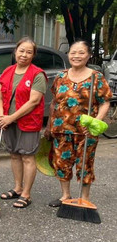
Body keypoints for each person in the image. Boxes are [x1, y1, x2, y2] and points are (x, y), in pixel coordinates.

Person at [44, 40, 111, 207]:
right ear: (68, 55)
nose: (76, 56)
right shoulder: (60, 77)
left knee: (85, 164)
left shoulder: (96, 77)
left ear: (88, 55)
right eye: (73, 52)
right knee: (61, 163)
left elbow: (105, 102)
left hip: (85, 131)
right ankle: (65, 196)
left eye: (81, 52)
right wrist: (49, 126)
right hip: (61, 129)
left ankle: (84, 198)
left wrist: (96, 123)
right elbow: (54, 102)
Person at [0, 37, 47, 208]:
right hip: (8, 121)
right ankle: (17, 188)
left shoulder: (37, 74)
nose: (24, 54)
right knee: (14, 154)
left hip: (28, 122)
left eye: (29, 52)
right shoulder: (8, 71)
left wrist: (11, 117)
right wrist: (2, 115)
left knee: (27, 156)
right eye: (21, 50)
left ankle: (26, 194)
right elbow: (0, 95)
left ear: (33, 55)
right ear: (15, 51)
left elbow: (33, 101)